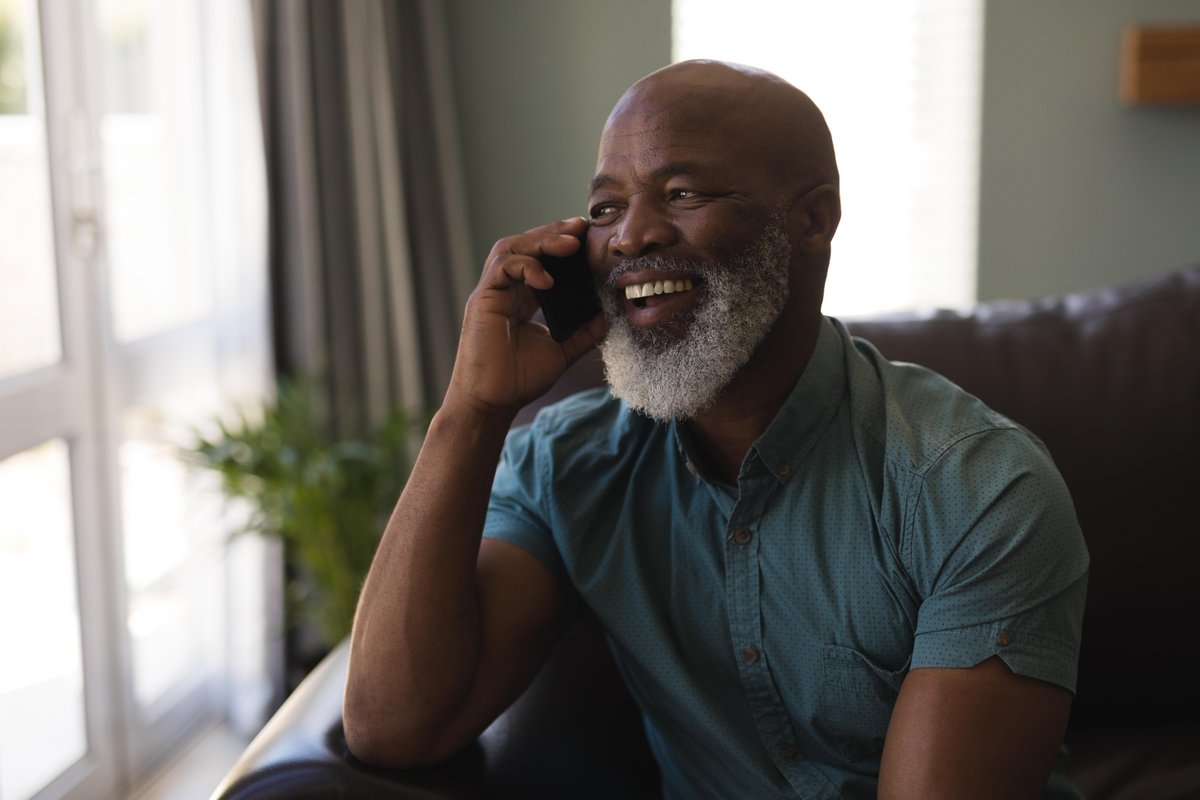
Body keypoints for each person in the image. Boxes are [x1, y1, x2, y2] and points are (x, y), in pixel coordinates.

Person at [343, 60, 1089, 799]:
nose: (632, 237)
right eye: (605, 209)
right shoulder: (564, 468)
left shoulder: (976, 487)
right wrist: (471, 413)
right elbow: (392, 727)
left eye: (682, 193)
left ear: (812, 220)